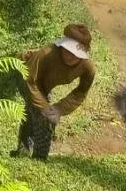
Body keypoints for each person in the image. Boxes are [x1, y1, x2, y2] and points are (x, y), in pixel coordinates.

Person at [13, 25, 95, 160]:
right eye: (68, 50)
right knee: (42, 116)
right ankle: (39, 158)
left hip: (45, 82)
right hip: (25, 72)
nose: (70, 55)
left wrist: (59, 109)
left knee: (43, 113)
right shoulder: (46, 53)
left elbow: (80, 93)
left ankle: (23, 151)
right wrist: (44, 107)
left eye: (76, 53)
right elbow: (30, 81)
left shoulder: (87, 68)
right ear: (62, 46)